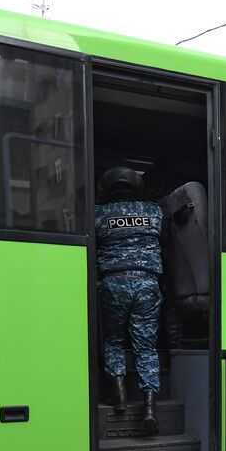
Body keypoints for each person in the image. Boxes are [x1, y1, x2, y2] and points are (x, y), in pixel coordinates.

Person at [96, 166, 165, 435]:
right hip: (148, 283)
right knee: (146, 347)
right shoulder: (154, 212)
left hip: (114, 282)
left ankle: (119, 395)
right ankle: (149, 407)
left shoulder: (98, 214)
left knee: (114, 340)